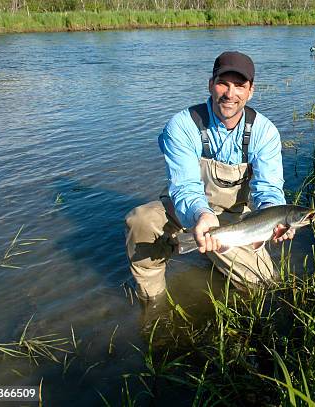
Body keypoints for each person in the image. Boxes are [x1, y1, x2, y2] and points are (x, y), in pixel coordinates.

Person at [125, 51, 295, 300]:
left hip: (236, 220)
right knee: (141, 222)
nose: (230, 93)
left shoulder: (265, 132)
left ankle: (217, 259)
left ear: (251, 91)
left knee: (264, 286)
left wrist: (275, 215)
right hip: (186, 210)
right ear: (210, 85)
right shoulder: (182, 125)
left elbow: (268, 189)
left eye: (239, 86)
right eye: (222, 83)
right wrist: (201, 215)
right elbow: (184, 186)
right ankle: (153, 302)